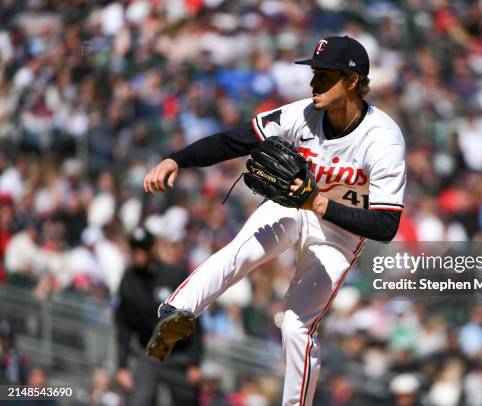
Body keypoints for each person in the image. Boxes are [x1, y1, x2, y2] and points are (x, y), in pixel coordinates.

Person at [143, 35, 406, 405]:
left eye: (325, 75)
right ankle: (177, 310)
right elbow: (234, 141)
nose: (314, 83)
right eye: (314, 73)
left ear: (351, 80)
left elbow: (386, 226)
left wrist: (319, 203)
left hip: (341, 232)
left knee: (297, 326)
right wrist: (176, 160)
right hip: (293, 205)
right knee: (241, 252)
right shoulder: (301, 113)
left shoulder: (383, 139)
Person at [115, 227, 202, 406]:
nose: (138, 254)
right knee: (140, 400)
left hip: (179, 355)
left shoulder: (174, 275)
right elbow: (123, 325)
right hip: (148, 354)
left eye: (143, 248)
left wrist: (195, 362)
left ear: (152, 249)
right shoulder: (128, 282)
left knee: (187, 401)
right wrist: (122, 366)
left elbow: (194, 321)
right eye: (135, 249)